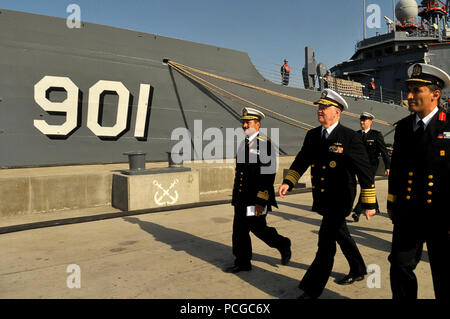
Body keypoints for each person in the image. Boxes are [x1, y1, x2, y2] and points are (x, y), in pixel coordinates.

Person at [278, 89, 377, 299]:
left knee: (325, 242)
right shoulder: (313, 135)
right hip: (323, 197)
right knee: (340, 233)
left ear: (337, 112)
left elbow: (365, 172)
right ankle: (358, 268)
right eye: (319, 107)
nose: (320, 110)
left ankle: (311, 289)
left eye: (324, 107)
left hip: (341, 198)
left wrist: (368, 203)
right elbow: (302, 160)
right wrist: (289, 181)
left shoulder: (349, 137)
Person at [387, 63, 450, 300]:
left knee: (443, 272)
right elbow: (399, 170)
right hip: (408, 212)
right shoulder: (403, 127)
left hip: (441, 215)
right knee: (400, 267)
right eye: (409, 90)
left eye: (417, 90)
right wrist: (392, 203)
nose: (410, 96)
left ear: (435, 94)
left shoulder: (448, 124)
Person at [224, 107, 291, 273]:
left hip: (256, 199)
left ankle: (282, 243)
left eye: (249, 122)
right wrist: (236, 196)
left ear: (258, 124)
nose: (245, 125)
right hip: (242, 197)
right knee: (239, 230)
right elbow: (240, 173)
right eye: (244, 122)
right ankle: (242, 262)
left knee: (258, 228)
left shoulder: (265, 145)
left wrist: (261, 201)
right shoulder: (243, 144)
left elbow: (267, 177)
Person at [351, 112, 391, 222]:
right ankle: (375, 206)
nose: (362, 122)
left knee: (365, 186)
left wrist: (388, 166)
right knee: (369, 186)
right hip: (358, 166)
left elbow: (384, 152)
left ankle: (357, 211)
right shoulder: (356, 134)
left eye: (365, 120)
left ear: (370, 122)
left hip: (371, 166)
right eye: (361, 120)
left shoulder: (376, 135)